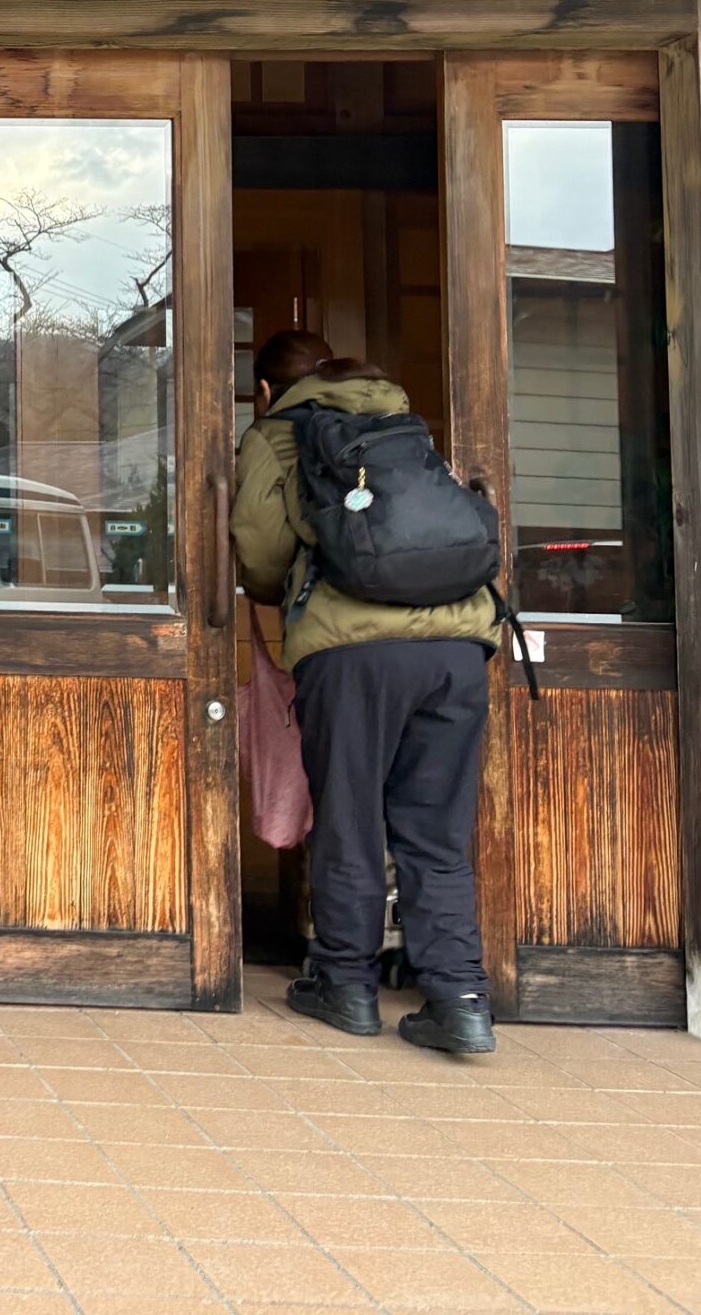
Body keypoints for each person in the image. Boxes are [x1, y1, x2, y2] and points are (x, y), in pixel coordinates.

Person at [234, 331, 503, 1054]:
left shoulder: (276, 434)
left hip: (351, 653)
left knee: (350, 818)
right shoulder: (401, 422)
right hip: (457, 646)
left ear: (268, 390)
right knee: (436, 831)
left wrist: (286, 586)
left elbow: (260, 554)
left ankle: (345, 984)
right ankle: (459, 999)